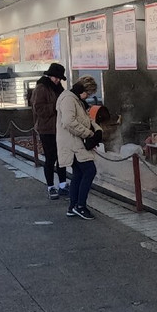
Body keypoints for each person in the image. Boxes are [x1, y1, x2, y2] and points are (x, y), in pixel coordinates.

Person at [57, 75, 102, 220]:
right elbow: (69, 122)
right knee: (89, 170)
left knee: (78, 174)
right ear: (83, 90)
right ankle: (80, 206)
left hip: (75, 142)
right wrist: (89, 134)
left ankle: (73, 206)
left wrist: (97, 130)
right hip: (73, 144)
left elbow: (86, 119)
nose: (88, 97)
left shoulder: (75, 99)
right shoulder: (69, 99)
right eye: (88, 94)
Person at [30, 62, 68, 200]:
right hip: (46, 129)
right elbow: (38, 109)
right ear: (50, 75)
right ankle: (51, 186)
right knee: (50, 158)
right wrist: (56, 106)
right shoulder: (42, 88)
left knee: (62, 158)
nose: (57, 80)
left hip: (59, 128)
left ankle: (63, 185)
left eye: (59, 78)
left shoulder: (59, 88)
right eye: (55, 77)